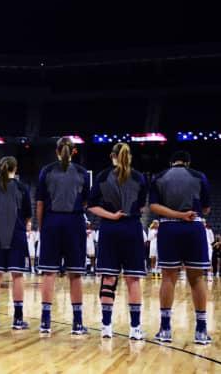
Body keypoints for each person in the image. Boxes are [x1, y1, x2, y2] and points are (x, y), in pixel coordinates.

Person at [150, 150, 212, 345]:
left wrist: (176, 214)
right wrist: (186, 214)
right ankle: (201, 331)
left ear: (171, 162)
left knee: (168, 278)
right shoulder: (199, 176)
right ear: (188, 162)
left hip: (169, 227)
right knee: (196, 278)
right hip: (194, 226)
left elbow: (153, 206)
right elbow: (206, 209)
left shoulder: (159, 177)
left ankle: (166, 329)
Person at [88, 143, 148, 340]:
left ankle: (106, 327)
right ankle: (135, 328)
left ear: (111, 155)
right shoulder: (139, 177)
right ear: (129, 156)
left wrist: (112, 215)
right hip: (132, 228)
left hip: (110, 229)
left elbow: (92, 206)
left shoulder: (102, 176)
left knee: (109, 278)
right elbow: (140, 206)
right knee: (133, 280)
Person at [37, 136, 90, 335]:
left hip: (51, 221)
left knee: (48, 273)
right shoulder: (83, 173)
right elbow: (85, 202)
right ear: (73, 151)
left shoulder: (46, 171)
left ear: (56, 151)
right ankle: (77, 323)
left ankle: (45, 321)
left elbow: (40, 204)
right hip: (74, 222)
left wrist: (43, 228)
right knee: (75, 274)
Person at [0, 156, 31, 330]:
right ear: (15, 168)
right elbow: (27, 214)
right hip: (16, 234)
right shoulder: (22, 188)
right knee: (17, 275)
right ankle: (18, 319)